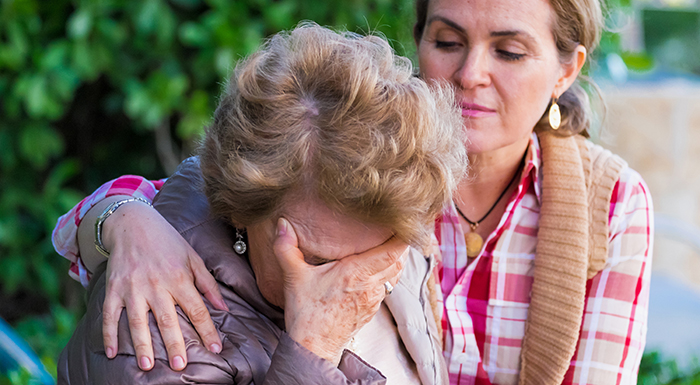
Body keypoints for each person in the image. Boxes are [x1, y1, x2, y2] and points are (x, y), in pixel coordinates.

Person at [54, 0, 654, 383]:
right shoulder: (358, 163)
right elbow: (195, 194)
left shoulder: (609, 204)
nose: (471, 74)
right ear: (419, 42)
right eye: (447, 42)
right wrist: (125, 219)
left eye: (510, 50)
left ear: (567, 69)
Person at [57, 24, 467, 384]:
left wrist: (119, 214)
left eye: (378, 256)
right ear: (240, 206)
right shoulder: (156, 332)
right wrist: (312, 350)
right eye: (319, 261)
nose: (357, 286)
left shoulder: (387, 217)